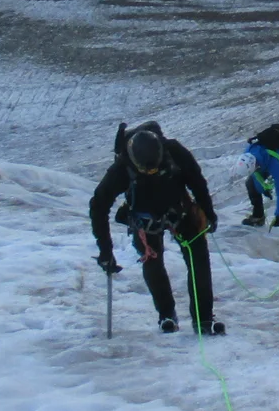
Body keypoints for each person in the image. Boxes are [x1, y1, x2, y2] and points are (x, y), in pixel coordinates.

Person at [90, 121, 224, 335]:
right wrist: (105, 250)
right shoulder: (122, 167)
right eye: (146, 169)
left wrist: (208, 213)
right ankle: (166, 314)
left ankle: (203, 319)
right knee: (153, 262)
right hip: (145, 219)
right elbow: (98, 205)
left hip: (179, 211)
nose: (151, 172)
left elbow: (197, 182)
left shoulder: (175, 152)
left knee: (198, 259)